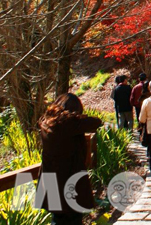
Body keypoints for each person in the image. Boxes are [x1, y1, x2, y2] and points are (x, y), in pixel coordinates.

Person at [36, 93, 102, 225]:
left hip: (50, 179)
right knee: (73, 218)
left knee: (57, 218)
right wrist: (76, 118)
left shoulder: (46, 123)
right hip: (69, 180)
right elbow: (96, 122)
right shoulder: (68, 125)